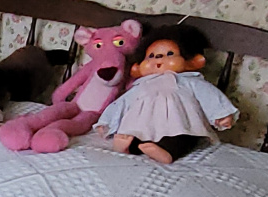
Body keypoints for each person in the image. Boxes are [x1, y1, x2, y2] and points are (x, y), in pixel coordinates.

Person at [96, 23, 239, 163]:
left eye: (169, 54)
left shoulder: (190, 82)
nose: (158, 59)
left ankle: (167, 153)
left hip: (180, 124)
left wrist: (221, 114)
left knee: (184, 138)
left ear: (192, 62)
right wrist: (107, 121)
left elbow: (209, 96)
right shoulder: (141, 86)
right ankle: (127, 147)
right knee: (135, 135)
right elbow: (122, 103)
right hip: (144, 125)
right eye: (151, 56)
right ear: (138, 68)